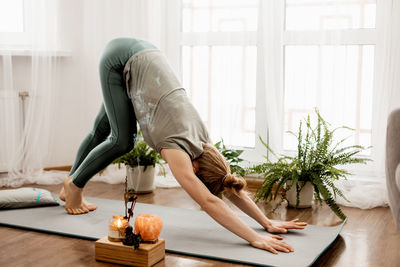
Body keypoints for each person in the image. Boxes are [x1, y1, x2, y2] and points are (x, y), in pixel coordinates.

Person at [60, 38, 307, 254]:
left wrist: (266, 223)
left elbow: (231, 185)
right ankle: (74, 186)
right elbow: (211, 203)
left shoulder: (206, 144)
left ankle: (69, 182)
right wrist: (255, 238)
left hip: (145, 57)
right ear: (197, 171)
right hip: (121, 59)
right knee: (123, 140)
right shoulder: (178, 151)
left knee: (101, 130)